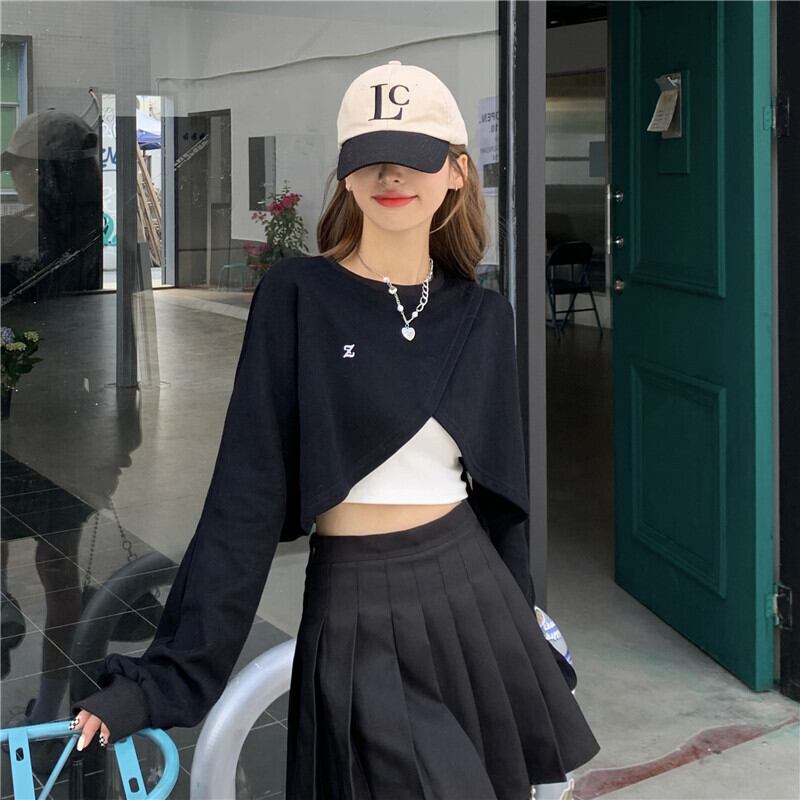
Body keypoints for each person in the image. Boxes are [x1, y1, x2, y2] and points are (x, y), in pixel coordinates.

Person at [71, 61, 600, 798]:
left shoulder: (483, 317)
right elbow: (244, 499)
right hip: (359, 605)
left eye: (414, 158)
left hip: (474, 596)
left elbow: (501, 499)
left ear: (456, 173)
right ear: (346, 177)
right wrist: (165, 679)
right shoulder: (298, 297)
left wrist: (528, 623)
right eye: (370, 159)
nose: (390, 175)